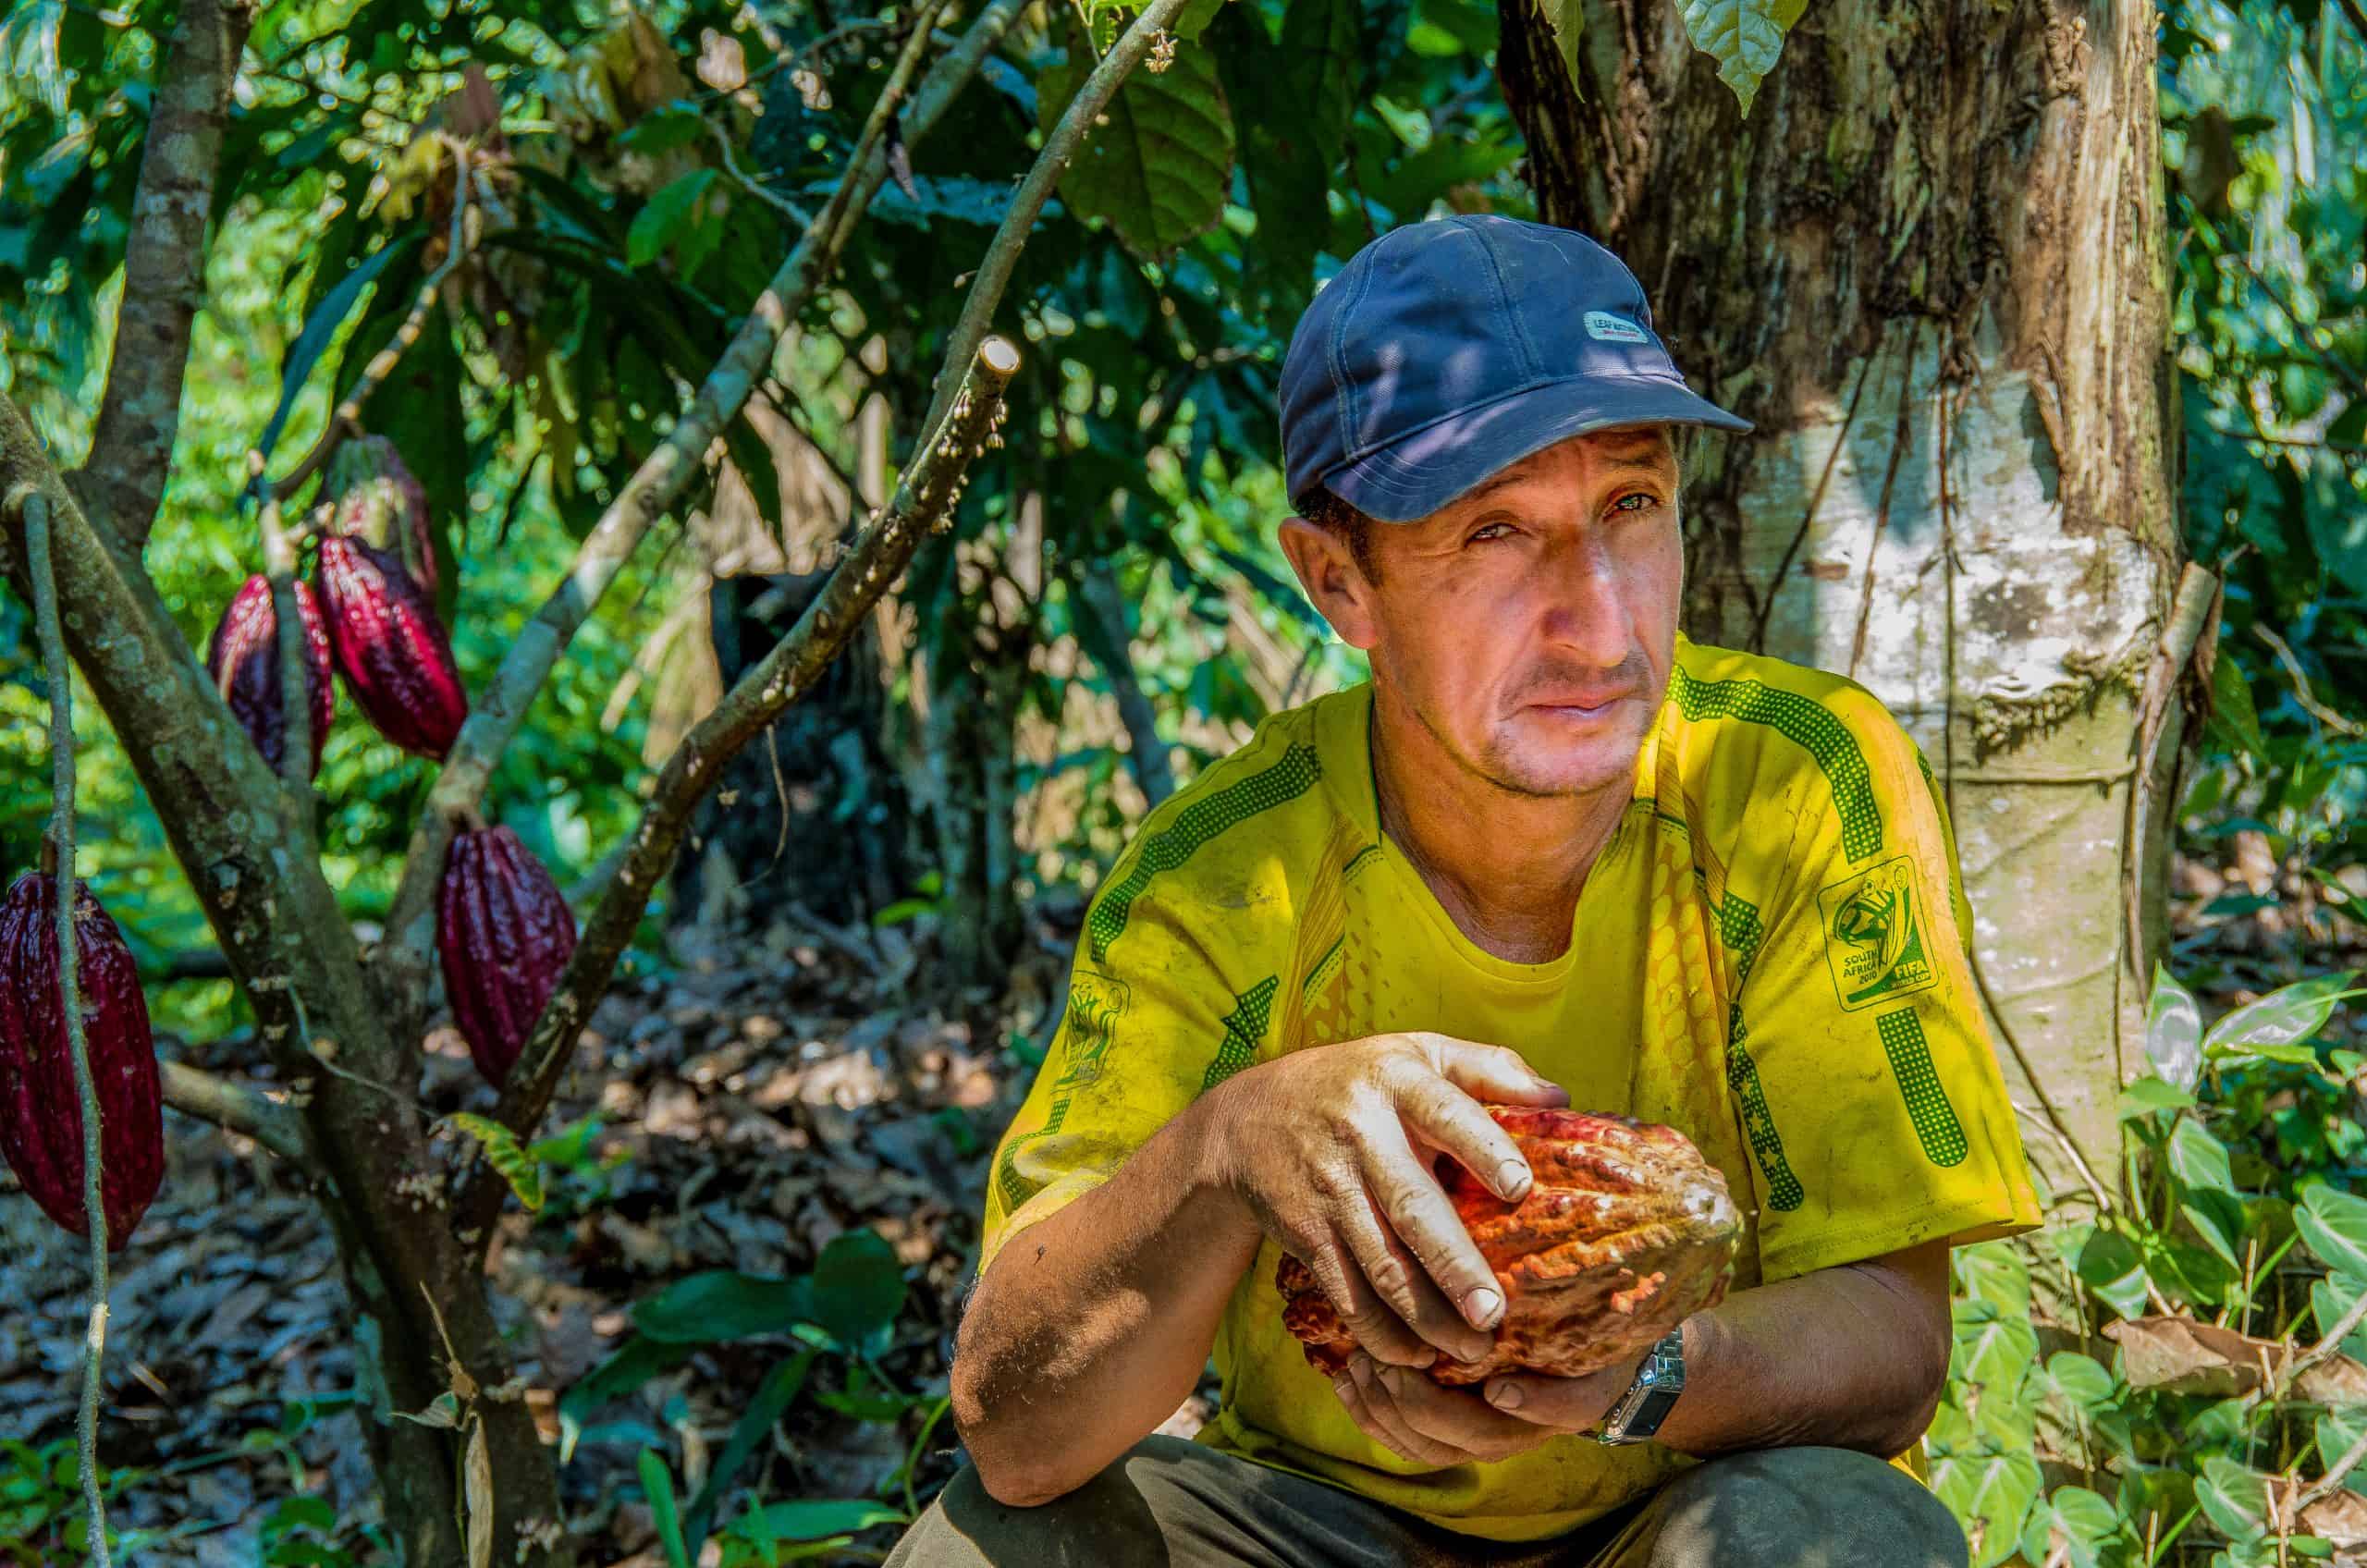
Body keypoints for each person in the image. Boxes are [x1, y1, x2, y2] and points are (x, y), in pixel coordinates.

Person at [884, 214, 2042, 1567]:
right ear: (1339, 581)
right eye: (1493, 532)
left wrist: (1632, 1375)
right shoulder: (1222, 875)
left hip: (1672, 1502)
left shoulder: (1796, 786)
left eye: (1631, 505)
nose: (1600, 624)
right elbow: (1018, 1433)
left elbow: (1898, 1347)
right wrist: (1226, 1151)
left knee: (1842, 1535)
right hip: (1315, 1527)